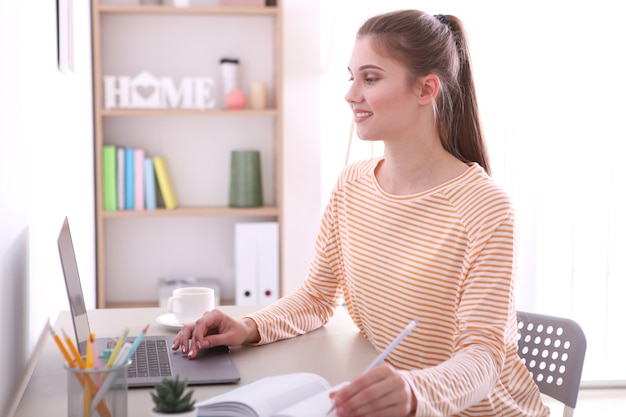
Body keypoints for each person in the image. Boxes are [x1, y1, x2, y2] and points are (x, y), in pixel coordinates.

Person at [173, 9, 549, 417]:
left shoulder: (485, 208)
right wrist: (249, 327)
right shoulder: (352, 185)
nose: (352, 94)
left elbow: (483, 357)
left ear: (426, 89)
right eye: (352, 78)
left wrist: (413, 391)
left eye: (370, 78)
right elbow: (316, 298)